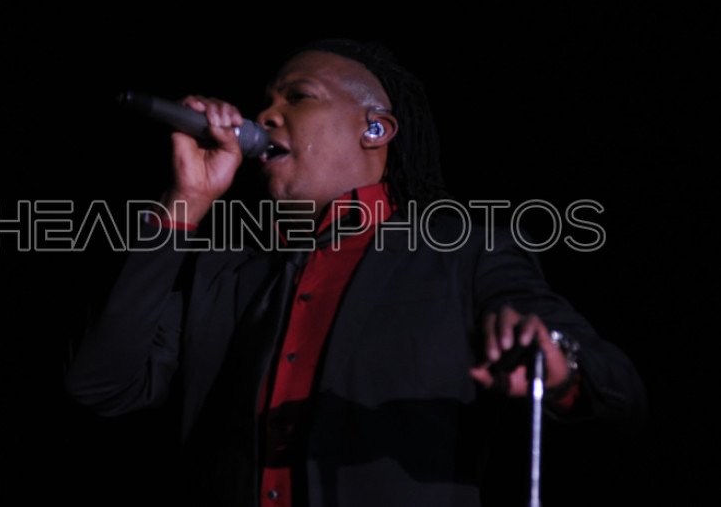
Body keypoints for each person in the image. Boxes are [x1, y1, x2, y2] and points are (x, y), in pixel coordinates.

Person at [65, 39, 645, 506]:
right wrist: (184, 201)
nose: (264, 115)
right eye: (266, 100)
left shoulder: (461, 253)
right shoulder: (231, 271)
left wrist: (559, 369)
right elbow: (102, 383)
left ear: (375, 129)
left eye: (298, 96)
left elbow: (617, 385)